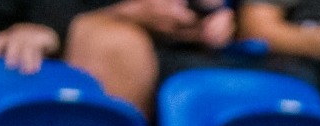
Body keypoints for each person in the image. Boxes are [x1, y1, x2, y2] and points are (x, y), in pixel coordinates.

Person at [63, 0, 238, 118]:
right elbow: (53, 21)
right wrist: (131, 11)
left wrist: (221, 16)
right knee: (116, 41)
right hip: (112, 48)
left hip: (203, 59)